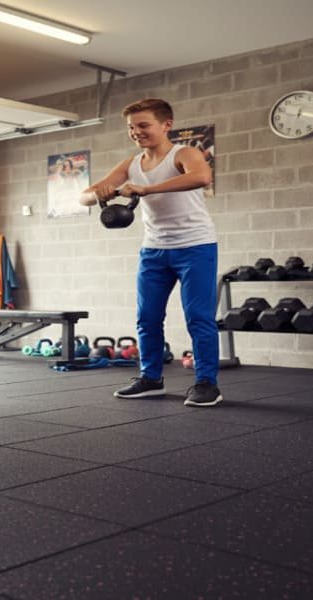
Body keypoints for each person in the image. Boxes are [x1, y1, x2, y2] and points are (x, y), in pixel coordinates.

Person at [80, 98, 222, 407]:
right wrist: (104, 192)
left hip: (195, 246)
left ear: (166, 125)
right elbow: (84, 197)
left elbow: (201, 177)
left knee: (199, 318)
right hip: (154, 250)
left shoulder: (183, 153)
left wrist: (146, 189)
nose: (136, 132)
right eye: (131, 128)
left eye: (143, 125)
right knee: (147, 317)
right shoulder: (132, 164)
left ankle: (207, 383)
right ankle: (151, 378)